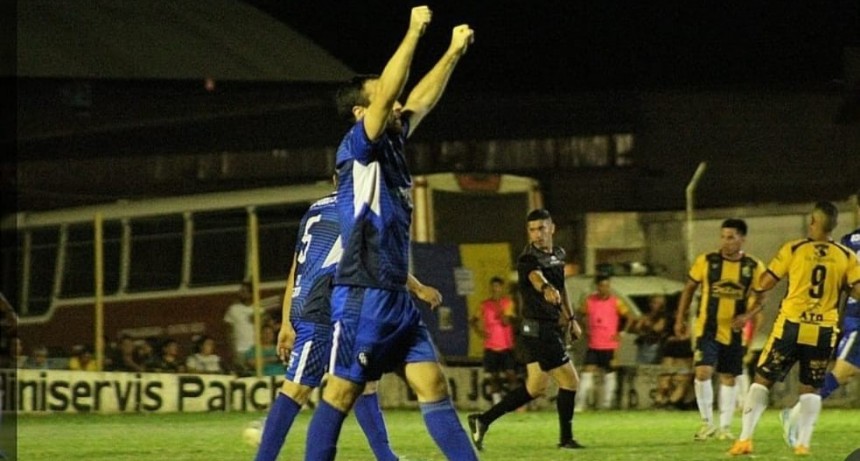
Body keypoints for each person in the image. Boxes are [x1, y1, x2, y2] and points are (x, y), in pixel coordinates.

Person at [302, 8, 477, 460]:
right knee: (340, 394)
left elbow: (422, 97)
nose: (397, 103)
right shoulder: (359, 147)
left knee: (433, 383)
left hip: (394, 297)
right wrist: (415, 30)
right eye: (384, 97)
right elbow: (394, 96)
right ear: (363, 111)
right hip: (362, 296)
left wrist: (453, 52)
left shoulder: (393, 142)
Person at [256, 187, 445, 461]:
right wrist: (418, 289)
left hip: (325, 306)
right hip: (320, 306)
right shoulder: (358, 210)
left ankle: (386, 456)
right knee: (296, 389)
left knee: (363, 382)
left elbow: (295, 269)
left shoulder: (314, 209)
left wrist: (286, 322)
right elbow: (383, 260)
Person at [729, 201, 860, 456]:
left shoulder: (795, 248)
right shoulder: (845, 256)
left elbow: (765, 282)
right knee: (811, 388)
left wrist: (756, 294)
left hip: (791, 324)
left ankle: (744, 439)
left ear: (813, 222)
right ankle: (802, 443)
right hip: (822, 329)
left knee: (762, 380)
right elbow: (856, 289)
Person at [468, 208, 585, 450]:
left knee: (535, 387)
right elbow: (536, 277)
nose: (537, 234)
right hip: (540, 330)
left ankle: (482, 420)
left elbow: (562, 289)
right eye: (532, 230)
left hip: (539, 330)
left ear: (552, 228)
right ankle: (566, 439)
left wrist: (571, 318)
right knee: (570, 381)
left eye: (541, 228)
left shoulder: (558, 255)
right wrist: (544, 289)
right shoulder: (527, 259)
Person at [674, 218, 766, 441]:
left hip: (734, 331)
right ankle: (706, 423)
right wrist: (680, 318)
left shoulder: (753, 266)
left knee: (729, 377)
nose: (726, 242)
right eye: (723, 237)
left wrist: (747, 316)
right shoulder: (706, 261)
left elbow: (762, 298)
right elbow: (688, 289)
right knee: (703, 371)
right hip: (707, 328)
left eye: (731, 237)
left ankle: (725, 426)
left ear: (742, 239)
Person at [781, 199, 860, 447]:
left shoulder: (848, 242)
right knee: (843, 371)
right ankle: (794, 414)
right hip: (858, 318)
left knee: (847, 373)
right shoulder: (849, 243)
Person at [576, 274, 636, 411]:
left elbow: (630, 317)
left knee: (609, 373)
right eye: (602, 286)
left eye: (607, 286)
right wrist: (584, 329)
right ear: (597, 287)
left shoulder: (616, 302)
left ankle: (606, 404)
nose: (605, 289)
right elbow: (579, 314)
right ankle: (580, 404)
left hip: (610, 345)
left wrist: (622, 333)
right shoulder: (589, 301)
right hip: (594, 344)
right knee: (587, 373)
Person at [469, 276, 518, 404]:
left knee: (511, 374)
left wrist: (500, 309)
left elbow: (506, 321)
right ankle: (497, 402)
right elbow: (473, 320)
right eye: (493, 286)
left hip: (506, 346)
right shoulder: (484, 305)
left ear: (502, 288)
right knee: (493, 376)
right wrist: (480, 332)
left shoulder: (508, 303)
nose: (495, 289)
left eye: (498, 286)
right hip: (490, 346)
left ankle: (515, 402)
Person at [223, 280, 256, 374]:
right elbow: (228, 331)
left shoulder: (258, 309)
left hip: (255, 351)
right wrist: (232, 351)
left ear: (251, 294)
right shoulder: (233, 309)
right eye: (241, 291)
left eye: (244, 291)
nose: (241, 294)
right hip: (240, 351)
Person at [631, 294, 668, 365]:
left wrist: (647, 325)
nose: (658, 305)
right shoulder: (646, 316)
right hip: (643, 346)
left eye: (660, 303)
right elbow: (637, 328)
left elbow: (657, 329)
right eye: (655, 303)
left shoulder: (663, 318)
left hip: (655, 345)